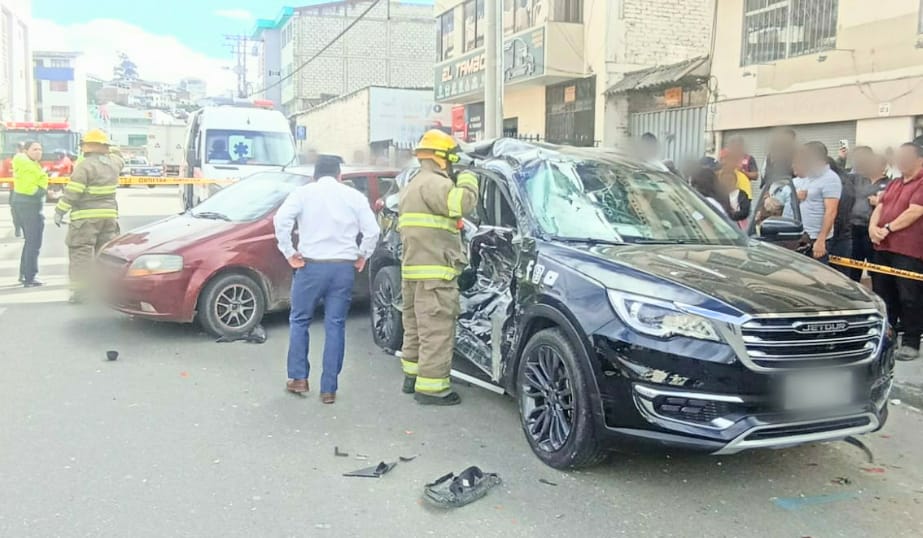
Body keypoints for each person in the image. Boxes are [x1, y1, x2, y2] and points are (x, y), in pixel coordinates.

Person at [274, 156, 380, 403]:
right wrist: (362, 255)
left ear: (314, 175)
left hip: (310, 266)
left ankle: (298, 378)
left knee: (300, 320)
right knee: (335, 324)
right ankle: (329, 389)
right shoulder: (353, 197)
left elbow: (281, 221)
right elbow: (373, 230)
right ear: (339, 174)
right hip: (342, 268)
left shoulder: (303, 194)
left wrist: (290, 253)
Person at [398, 130, 478, 406]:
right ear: (443, 158)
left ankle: (412, 376)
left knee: (415, 328)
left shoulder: (411, 185)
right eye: (453, 160)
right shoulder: (435, 184)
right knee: (436, 332)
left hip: (413, 273)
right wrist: (468, 177)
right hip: (436, 275)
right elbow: (463, 204)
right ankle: (433, 389)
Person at [53, 129, 123, 304]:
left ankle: (81, 293)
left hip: (85, 220)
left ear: (87, 147)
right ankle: (108, 290)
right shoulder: (113, 163)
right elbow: (119, 156)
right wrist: (110, 149)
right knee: (105, 255)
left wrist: (60, 211)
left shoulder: (84, 165)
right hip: (109, 218)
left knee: (81, 255)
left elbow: (73, 192)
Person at [869, 142, 923, 362]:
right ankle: (887, 336)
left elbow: (915, 211)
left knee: (910, 297)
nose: (900, 161)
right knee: (883, 293)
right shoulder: (895, 183)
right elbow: (880, 206)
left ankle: (911, 342)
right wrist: (873, 228)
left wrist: (888, 228)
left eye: (906, 157)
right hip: (883, 247)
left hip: (908, 251)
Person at [11, 141, 48, 287]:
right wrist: (43, 191)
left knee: (30, 242)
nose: (38, 152)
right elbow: (30, 188)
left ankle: (25, 274)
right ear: (26, 150)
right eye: (34, 149)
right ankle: (30, 276)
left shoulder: (29, 163)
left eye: (40, 149)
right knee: (34, 242)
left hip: (25, 204)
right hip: (29, 205)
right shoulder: (27, 164)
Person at [849, 154, 891, 282]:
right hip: (854, 227)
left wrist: (878, 202)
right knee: (853, 265)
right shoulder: (858, 179)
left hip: (873, 229)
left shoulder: (890, 184)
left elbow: (894, 205)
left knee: (875, 267)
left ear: (883, 166)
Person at [718, 148, 752, 226]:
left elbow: (745, 210)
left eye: (730, 180)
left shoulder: (741, 193)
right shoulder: (718, 194)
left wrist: (732, 215)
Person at [10, 141, 26, 238]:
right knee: (23, 211)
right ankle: (22, 230)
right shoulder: (30, 160)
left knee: (16, 211)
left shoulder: (11, 160)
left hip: (17, 190)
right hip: (24, 191)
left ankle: (19, 229)